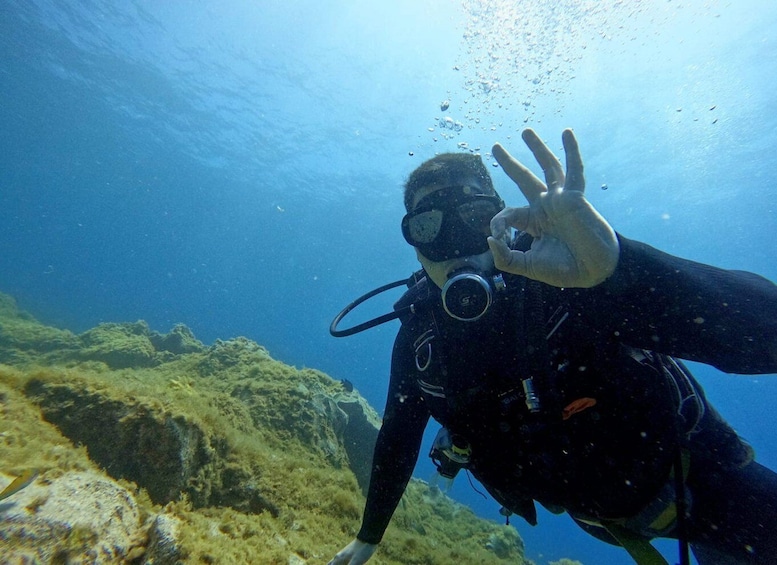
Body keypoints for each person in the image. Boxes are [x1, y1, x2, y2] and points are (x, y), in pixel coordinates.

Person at [328, 128, 777, 565]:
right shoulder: (419, 339)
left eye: (472, 219)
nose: (453, 246)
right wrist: (369, 537)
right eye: (428, 226)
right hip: (608, 520)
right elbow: (398, 437)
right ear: (415, 246)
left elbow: (767, 337)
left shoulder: (571, 280)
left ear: (502, 221)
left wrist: (620, 271)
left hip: (715, 488)